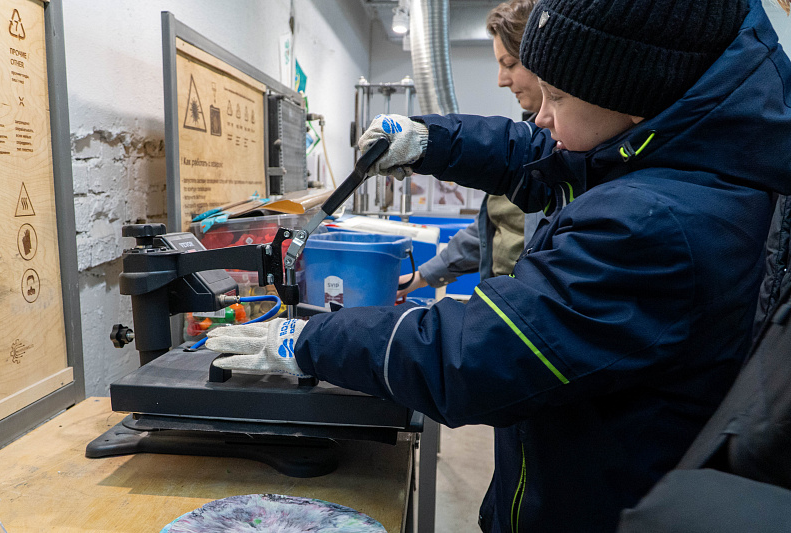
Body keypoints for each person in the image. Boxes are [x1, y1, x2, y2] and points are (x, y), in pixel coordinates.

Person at [206, 0, 791, 531]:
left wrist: (313, 339)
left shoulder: (659, 222)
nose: (541, 117)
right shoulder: (678, 148)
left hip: (594, 505)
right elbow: (538, 153)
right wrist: (431, 141)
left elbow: (475, 354)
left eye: (557, 97)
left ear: (633, 99)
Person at [398, 0, 544, 299]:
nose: (501, 80)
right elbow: (489, 228)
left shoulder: (572, 150)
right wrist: (421, 277)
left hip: (529, 308)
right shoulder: (526, 142)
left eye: (509, 64)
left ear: (545, 60)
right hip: (503, 300)